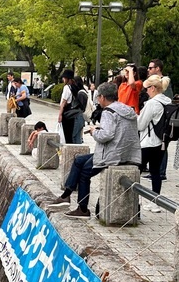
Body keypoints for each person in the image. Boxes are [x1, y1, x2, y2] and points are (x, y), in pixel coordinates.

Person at [50, 82, 141, 218]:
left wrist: (94, 132)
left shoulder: (108, 112)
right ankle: (66, 195)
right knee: (79, 160)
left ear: (103, 97)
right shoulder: (127, 109)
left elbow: (106, 135)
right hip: (126, 153)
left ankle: (82, 208)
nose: (98, 100)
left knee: (84, 173)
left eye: (98, 97)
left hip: (112, 154)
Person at [137, 75, 171, 194]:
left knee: (136, 171)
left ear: (152, 88)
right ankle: (155, 201)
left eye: (146, 88)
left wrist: (135, 117)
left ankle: (130, 199)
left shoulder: (152, 103)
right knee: (155, 171)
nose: (146, 91)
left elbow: (140, 125)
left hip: (148, 142)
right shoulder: (167, 101)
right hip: (162, 141)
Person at [146, 58, 174, 181]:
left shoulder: (164, 83)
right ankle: (156, 171)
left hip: (162, 119)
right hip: (157, 118)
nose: (148, 70)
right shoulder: (156, 81)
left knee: (162, 144)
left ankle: (160, 172)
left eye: (151, 68)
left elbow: (167, 101)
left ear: (157, 69)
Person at [57, 69, 81, 144]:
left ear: (67, 78)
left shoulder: (67, 87)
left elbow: (63, 102)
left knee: (66, 134)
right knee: (72, 134)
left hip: (67, 113)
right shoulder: (75, 87)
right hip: (73, 113)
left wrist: (60, 114)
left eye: (64, 78)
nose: (63, 79)